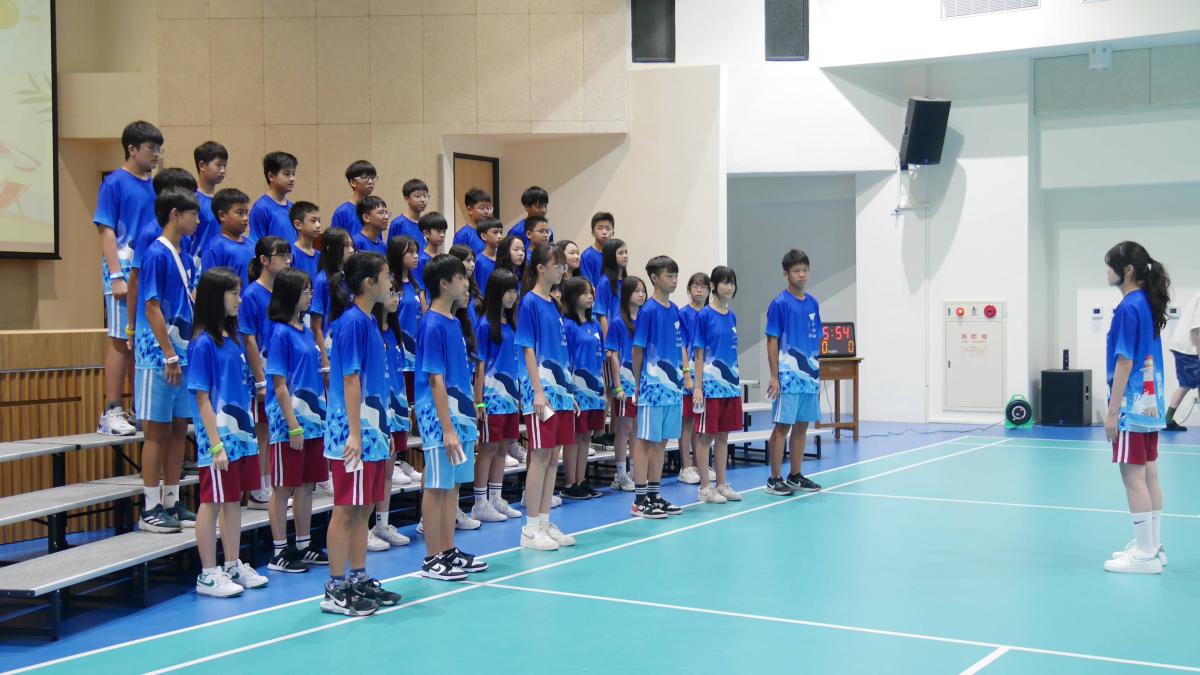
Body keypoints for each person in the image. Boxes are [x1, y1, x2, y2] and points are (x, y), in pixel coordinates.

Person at [322, 252, 403, 614]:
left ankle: (357, 577)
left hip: (372, 429)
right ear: (369, 283)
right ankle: (335, 587)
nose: (390, 283)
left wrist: (381, 428)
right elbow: (350, 379)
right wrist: (354, 434)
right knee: (345, 509)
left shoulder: (369, 321)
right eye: (385, 277)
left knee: (364, 507)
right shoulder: (352, 322)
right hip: (351, 432)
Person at [190, 268, 268, 597]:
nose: (240, 299)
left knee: (233, 500)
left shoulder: (234, 341)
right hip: (219, 439)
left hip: (242, 437)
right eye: (234, 293)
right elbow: (202, 398)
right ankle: (208, 573)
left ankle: (233, 563)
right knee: (211, 502)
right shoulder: (202, 344)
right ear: (215, 297)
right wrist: (215, 445)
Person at [414, 254, 490, 579]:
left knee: (453, 486)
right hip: (439, 418)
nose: (467, 283)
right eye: (461, 278)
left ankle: (447, 550)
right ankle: (432, 557)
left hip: (461, 415)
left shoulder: (454, 322)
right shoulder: (431, 324)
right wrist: (446, 428)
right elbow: (435, 380)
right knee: (437, 486)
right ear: (444, 284)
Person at [133, 187, 199, 533]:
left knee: (177, 429)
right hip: (158, 355)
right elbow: (151, 306)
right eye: (193, 214)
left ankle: (172, 500)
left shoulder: (184, 257)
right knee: (156, 431)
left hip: (182, 352)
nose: (198, 220)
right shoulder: (156, 254)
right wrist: (169, 353)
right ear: (175, 214)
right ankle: (149, 507)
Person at [1103, 242, 1170, 575]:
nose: (1107, 272)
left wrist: (1112, 411)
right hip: (1152, 405)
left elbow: (1125, 361)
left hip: (1132, 407)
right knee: (1149, 474)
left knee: (1133, 478)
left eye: (1110, 265)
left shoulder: (1129, 307)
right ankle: (1153, 546)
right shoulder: (1146, 303)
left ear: (1127, 270)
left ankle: (1144, 555)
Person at [95, 120, 162, 437]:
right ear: (132, 149)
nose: (156, 154)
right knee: (121, 340)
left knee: (140, 339)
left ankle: (139, 408)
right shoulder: (114, 183)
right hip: (122, 269)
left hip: (146, 271)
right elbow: (106, 230)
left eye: (159, 148)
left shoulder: (155, 186)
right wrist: (116, 276)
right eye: (151, 148)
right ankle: (111, 411)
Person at [265, 268, 330, 573]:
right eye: (305, 290)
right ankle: (279, 550)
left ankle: (304, 545)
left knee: (306, 485)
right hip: (289, 423)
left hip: (314, 420)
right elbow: (279, 386)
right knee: (283, 487)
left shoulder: (304, 331)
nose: (310, 295)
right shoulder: (280, 333)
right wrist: (292, 425)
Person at [516, 245, 577, 550]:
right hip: (541, 392)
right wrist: (538, 391)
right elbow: (527, 349)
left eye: (564, 266)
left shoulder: (554, 304)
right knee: (540, 456)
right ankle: (529, 529)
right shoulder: (529, 302)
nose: (562, 270)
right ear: (540, 268)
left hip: (560, 392)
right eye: (557, 265)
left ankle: (544, 521)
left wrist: (568, 391)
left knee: (554, 457)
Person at [631, 256, 691, 519]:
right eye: (669, 275)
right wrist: (638, 383)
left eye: (676, 275)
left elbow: (681, 346)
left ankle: (654, 495)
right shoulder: (648, 310)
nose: (674, 280)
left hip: (673, 389)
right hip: (652, 388)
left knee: (662, 441)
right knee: (646, 440)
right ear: (655, 278)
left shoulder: (675, 310)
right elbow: (637, 350)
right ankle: (639, 500)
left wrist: (686, 375)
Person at [764, 249, 823, 497]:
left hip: (809, 376)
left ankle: (795, 475)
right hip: (788, 376)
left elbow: (817, 337)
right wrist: (774, 375)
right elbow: (772, 340)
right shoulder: (779, 304)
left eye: (805, 270)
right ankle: (774, 478)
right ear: (786, 274)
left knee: (802, 426)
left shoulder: (813, 303)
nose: (802, 275)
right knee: (783, 426)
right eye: (797, 271)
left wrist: (816, 370)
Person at [241, 236, 293, 509]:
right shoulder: (252, 294)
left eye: (289, 255)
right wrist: (260, 379)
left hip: (279, 369)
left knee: (274, 428)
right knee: (261, 429)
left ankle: (268, 481)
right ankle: (257, 488)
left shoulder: (283, 294)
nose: (287, 260)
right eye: (281, 255)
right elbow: (248, 338)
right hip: (260, 372)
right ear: (263, 260)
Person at [472, 269, 525, 523]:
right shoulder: (484, 326)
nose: (513, 296)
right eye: (508, 291)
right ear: (496, 293)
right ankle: (480, 502)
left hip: (510, 398)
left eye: (515, 290)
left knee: (504, 447)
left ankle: (495, 497)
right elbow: (480, 366)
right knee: (488, 447)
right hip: (491, 399)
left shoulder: (511, 325)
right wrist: (479, 400)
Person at [368, 276, 414, 551]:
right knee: (374, 470)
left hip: (396, 407)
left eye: (397, 293)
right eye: (390, 292)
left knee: (387, 469)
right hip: (377, 409)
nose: (395, 298)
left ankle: (382, 524)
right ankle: (364, 528)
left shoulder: (395, 332)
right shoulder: (370, 329)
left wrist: (404, 407)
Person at [692, 266, 743, 504]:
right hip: (710, 387)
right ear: (713, 286)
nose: (729, 287)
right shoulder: (704, 315)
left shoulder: (732, 316)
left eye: (732, 282)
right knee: (706, 436)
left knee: (723, 436)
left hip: (730, 386)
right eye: (724, 282)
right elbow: (698, 353)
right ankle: (705, 487)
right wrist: (698, 387)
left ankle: (721, 484)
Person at [385, 236, 426, 487]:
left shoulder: (415, 284)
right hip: (399, 355)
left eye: (417, 252)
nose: (415, 256)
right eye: (410, 252)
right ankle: (397, 461)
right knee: (399, 407)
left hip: (414, 355)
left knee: (408, 410)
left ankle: (403, 459)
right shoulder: (391, 284)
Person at [562, 277, 606, 500]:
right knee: (575, 436)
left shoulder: (595, 325)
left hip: (594, 387)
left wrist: (603, 389)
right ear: (573, 297)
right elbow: (566, 359)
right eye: (584, 293)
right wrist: (568, 390)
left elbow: (601, 358)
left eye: (591, 293)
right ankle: (570, 483)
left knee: (587, 436)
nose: (590, 297)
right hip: (577, 388)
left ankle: (581, 480)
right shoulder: (568, 325)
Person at [605, 275, 646, 493]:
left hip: (642, 385)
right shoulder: (617, 322)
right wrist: (618, 385)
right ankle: (620, 474)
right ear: (627, 294)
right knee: (624, 428)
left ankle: (635, 471)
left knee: (637, 428)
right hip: (625, 386)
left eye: (643, 291)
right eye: (636, 291)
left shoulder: (645, 320)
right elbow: (613, 356)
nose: (641, 295)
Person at [676, 272, 711, 486]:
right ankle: (686, 466)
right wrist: (686, 374)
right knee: (688, 421)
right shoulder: (683, 314)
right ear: (689, 290)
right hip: (689, 374)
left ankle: (700, 464)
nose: (699, 290)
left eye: (703, 286)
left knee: (701, 422)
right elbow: (682, 346)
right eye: (695, 286)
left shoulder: (710, 313)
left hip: (708, 375)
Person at [311, 228, 354, 380]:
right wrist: (324, 360)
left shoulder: (352, 278)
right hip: (331, 348)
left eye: (352, 245)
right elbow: (316, 326)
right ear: (331, 248)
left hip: (350, 344)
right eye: (346, 245)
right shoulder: (322, 280)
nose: (351, 250)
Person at [201, 188, 254, 287]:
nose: (245, 218)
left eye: (246, 213)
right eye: (240, 213)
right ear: (222, 215)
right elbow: (210, 287)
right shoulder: (215, 248)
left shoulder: (252, 245)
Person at [1164, 288, 1200, 431]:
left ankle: (1168, 419)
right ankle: (1168, 419)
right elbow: (1197, 329)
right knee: (1187, 382)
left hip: (1184, 346)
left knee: (1186, 383)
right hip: (1189, 347)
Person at [190, 141, 228, 267]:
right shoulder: (192, 200)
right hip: (198, 268)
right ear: (202, 165)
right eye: (218, 165)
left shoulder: (223, 201)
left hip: (220, 268)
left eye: (225, 166)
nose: (223, 171)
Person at [249, 152, 298, 243]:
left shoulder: (293, 208)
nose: (292, 179)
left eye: (293, 174)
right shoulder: (261, 208)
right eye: (287, 174)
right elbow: (256, 244)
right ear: (271, 176)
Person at [330, 160, 376, 238]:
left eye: (372, 177)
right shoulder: (342, 212)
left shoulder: (375, 210)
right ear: (353, 182)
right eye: (365, 177)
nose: (370, 182)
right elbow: (335, 241)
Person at [593, 238, 628, 337]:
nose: (625, 256)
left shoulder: (626, 281)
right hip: (612, 335)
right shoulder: (604, 282)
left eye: (626, 252)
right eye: (620, 253)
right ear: (611, 256)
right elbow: (601, 315)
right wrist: (608, 341)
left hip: (625, 333)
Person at [507, 186, 553, 256]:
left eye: (545, 206)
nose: (544, 210)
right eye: (539, 206)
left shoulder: (548, 231)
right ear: (527, 207)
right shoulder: (516, 231)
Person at [387, 178, 430, 250]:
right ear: (407, 199)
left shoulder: (427, 224)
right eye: (418, 196)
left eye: (425, 196)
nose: (423, 200)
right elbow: (391, 250)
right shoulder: (398, 223)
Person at [452, 187, 492, 255]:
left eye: (488, 208)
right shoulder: (463, 235)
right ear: (470, 210)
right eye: (482, 208)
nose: (486, 211)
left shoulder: (490, 233)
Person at [289, 201, 322, 281]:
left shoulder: (319, 255)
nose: (318, 225)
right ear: (298, 225)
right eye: (313, 221)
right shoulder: (291, 255)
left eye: (319, 221)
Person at [579, 212, 613, 288]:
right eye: (600, 228)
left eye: (608, 228)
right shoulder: (587, 255)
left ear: (613, 233)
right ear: (593, 232)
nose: (604, 232)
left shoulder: (616, 255)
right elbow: (588, 286)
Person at [474, 217, 504, 295]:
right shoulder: (477, 261)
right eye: (495, 232)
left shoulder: (503, 258)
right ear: (484, 236)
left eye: (501, 232)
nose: (499, 236)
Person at [417, 211, 449, 283]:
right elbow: (420, 285)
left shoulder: (443, 258)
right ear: (426, 233)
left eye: (444, 231)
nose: (442, 235)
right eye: (438, 231)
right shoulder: (421, 260)